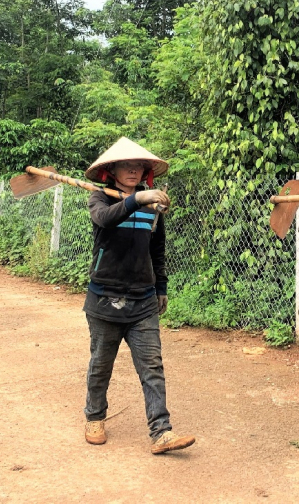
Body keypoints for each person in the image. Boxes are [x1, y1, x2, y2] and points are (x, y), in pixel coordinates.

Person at [81, 136, 195, 455]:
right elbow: (106, 219)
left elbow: (157, 249)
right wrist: (137, 199)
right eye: (126, 165)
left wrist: (161, 287)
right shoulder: (99, 198)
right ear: (112, 170)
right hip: (105, 298)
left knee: (152, 365)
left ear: (145, 172)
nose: (133, 169)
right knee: (101, 363)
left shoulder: (153, 208)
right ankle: (94, 416)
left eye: (138, 166)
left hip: (143, 300)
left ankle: (161, 431)